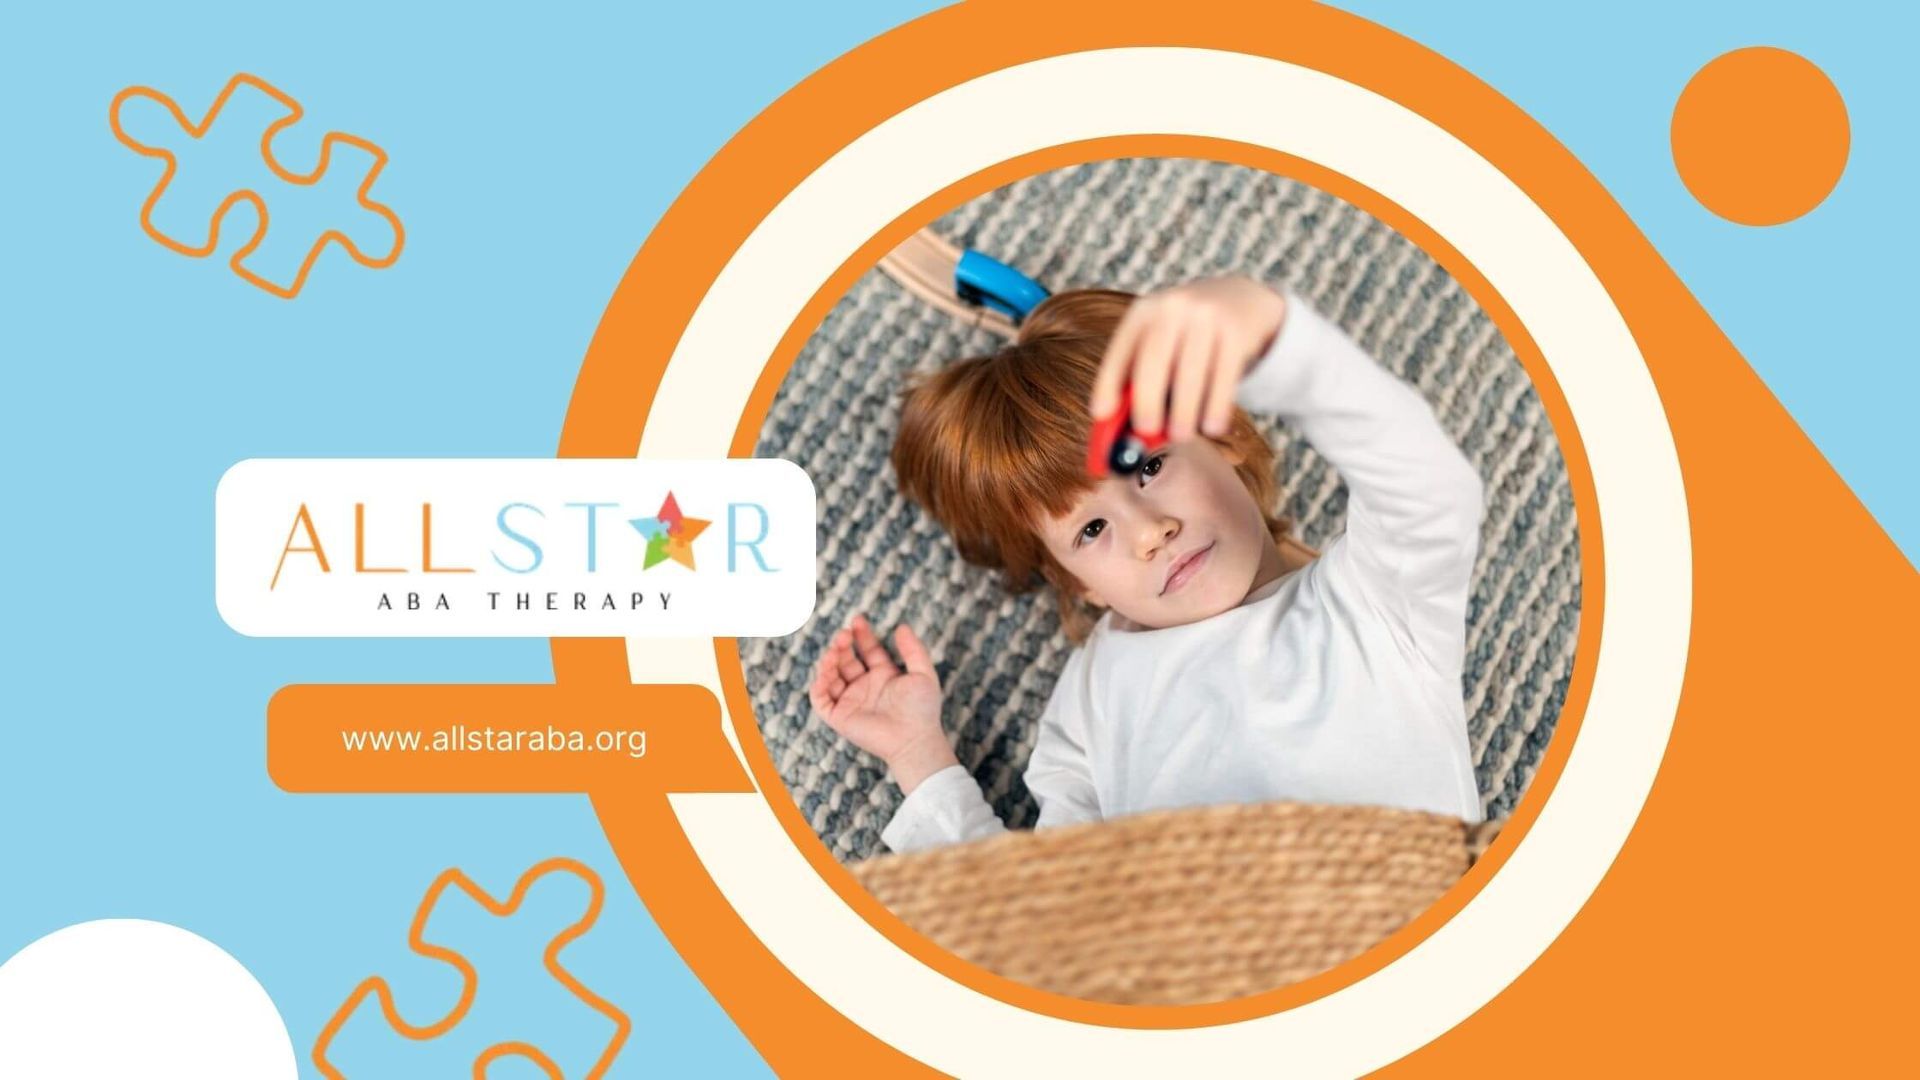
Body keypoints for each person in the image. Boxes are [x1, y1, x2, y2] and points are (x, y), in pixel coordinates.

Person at [808, 275, 1486, 854]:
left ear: (1224, 439)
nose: (1149, 534)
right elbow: (1053, 914)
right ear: (1080, 584)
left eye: (1147, 464)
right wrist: (920, 760)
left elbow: (1428, 487)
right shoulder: (1094, 699)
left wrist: (1276, 334)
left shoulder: (1374, 600)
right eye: (1092, 529)